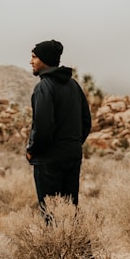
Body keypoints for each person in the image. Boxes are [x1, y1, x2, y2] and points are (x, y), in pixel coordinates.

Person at [26, 39, 91, 213]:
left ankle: (54, 242)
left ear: (45, 59)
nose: (31, 61)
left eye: (34, 57)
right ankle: (74, 241)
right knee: (70, 210)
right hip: (72, 156)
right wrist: (73, 144)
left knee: (50, 213)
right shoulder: (74, 85)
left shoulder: (44, 87)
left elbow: (43, 126)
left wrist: (32, 150)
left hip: (49, 160)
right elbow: (86, 121)